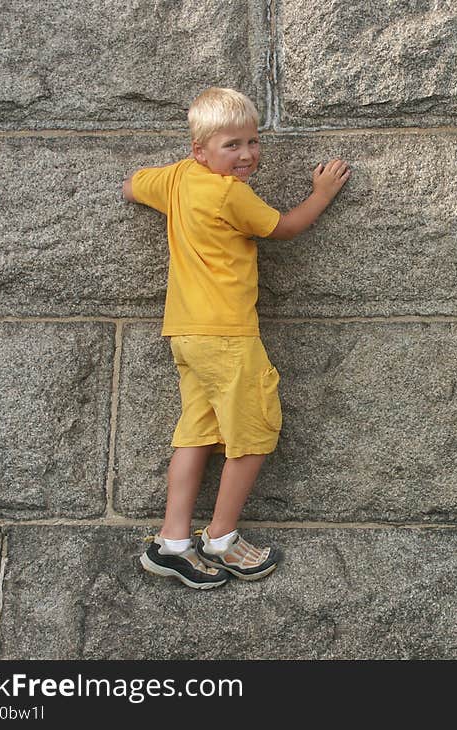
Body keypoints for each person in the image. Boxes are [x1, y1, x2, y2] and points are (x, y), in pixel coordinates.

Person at [122, 87, 350, 589]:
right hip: (226, 334)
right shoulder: (231, 193)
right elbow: (284, 228)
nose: (246, 155)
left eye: (252, 142)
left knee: (197, 432)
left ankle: (172, 543)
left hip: (185, 333)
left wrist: (170, 183)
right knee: (254, 432)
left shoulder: (178, 178)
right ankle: (221, 537)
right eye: (232, 145)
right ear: (200, 150)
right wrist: (322, 194)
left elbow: (132, 186)